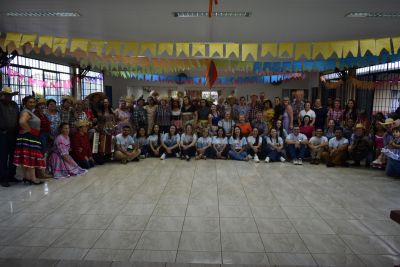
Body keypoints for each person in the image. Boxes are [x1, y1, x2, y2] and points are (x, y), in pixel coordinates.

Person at [13, 96, 45, 185]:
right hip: (29, 137)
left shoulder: (30, 112)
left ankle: (27, 177)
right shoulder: (26, 112)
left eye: (33, 102)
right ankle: (33, 178)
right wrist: (30, 130)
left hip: (30, 137)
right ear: (25, 103)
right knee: (32, 157)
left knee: (28, 157)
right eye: (30, 102)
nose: (32, 104)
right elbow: (22, 122)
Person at [0, 87, 20, 187]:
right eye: (7, 95)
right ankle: (3, 178)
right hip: (3, 134)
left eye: (11, 95)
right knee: (3, 157)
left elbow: (18, 116)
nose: (9, 97)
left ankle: (11, 175)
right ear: (2, 95)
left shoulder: (14, 104)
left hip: (14, 133)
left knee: (14, 155)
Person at [33, 98, 53, 179]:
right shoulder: (35, 114)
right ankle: (41, 173)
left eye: (43, 105)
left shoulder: (43, 114)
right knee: (42, 154)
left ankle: (42, 172)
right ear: (37, 106)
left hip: (45, 135)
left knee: (44, 154)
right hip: (40, 135)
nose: (42, 106)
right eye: (40, 105)